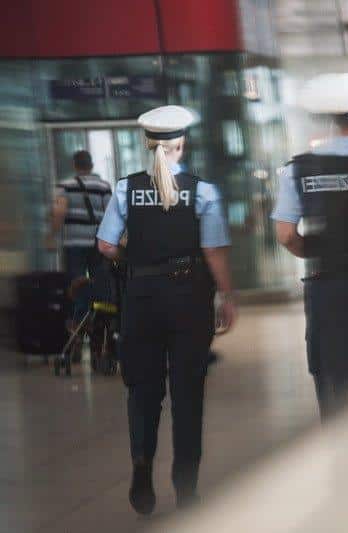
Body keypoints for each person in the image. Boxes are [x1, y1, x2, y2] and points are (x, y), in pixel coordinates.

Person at [96, 105, 237, 514]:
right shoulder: (203, 191)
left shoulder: (126, 188)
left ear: (147, 144)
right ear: (182, 143)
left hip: (141, 298)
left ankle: (141, 467)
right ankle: (185, 485)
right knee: (188, 393)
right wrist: (227, 296)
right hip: (189, 298)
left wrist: (136, 257)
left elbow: (106, 246)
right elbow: (213, 251)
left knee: (143, 390)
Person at [272, 72, 348, 420]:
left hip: (324, 281)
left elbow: (286, 235)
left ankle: (338, 441)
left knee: (331, 374)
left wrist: (315, 251)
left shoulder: (298, 169)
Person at [50, 150, 112, 326]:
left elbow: (59, 211)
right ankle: (101, 325)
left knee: (76, 283)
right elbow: (111, 214)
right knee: (99, 281)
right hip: (98, 243)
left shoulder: (65, 186)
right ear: (91, 165)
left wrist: (51, 235)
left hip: (73, 243)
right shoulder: (103, 186)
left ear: (75, 166)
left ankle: (79, 322)